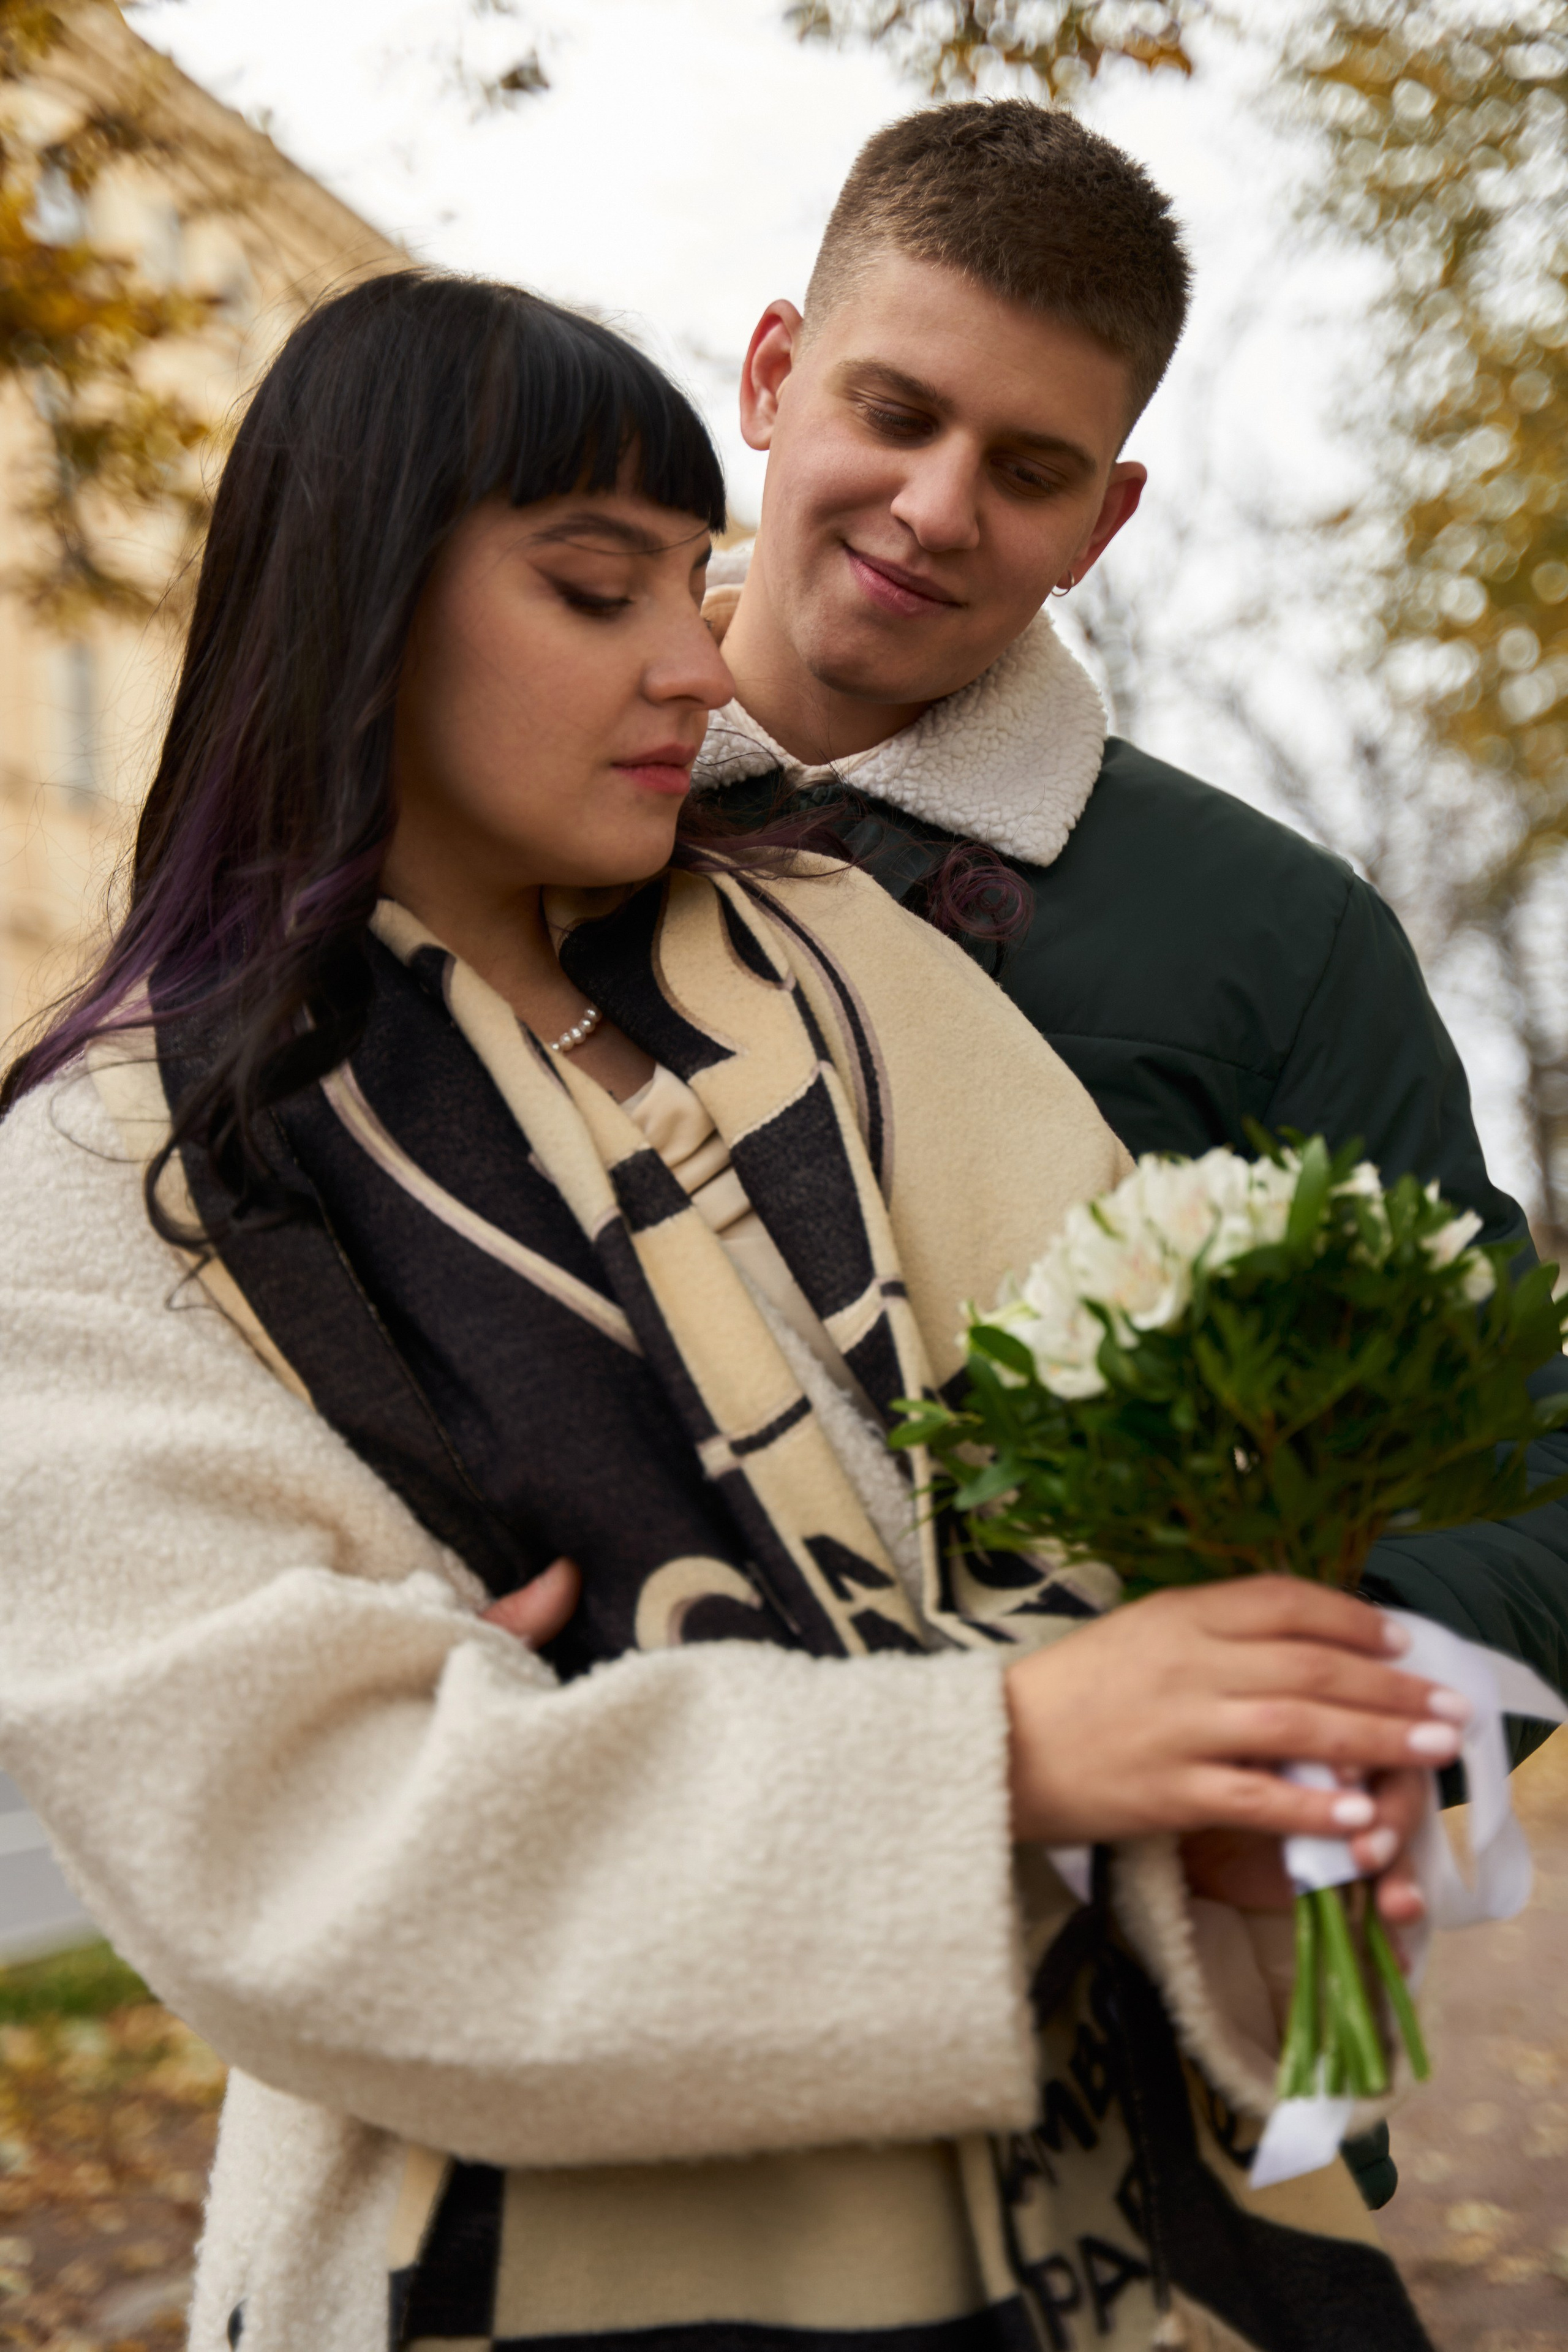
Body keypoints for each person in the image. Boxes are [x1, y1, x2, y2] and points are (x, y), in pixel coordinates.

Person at [0, 272, 1458, 2352]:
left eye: (693, 580)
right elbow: (312, 1858)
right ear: (358, 602)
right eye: (597, 591)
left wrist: (1225, 1799)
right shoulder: (101, 1167)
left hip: (1110, 2237)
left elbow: (1157, 1509)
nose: (700, 660)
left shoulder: (848, 966)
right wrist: (1012, 1742)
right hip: (490, 2277)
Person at [696, 98, 1568, 1879]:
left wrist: (1355, 1710)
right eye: (895, 410)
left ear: (1107, 515)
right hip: (609, 1908)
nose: (937, 509)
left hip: (1113, 1961)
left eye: (1028, 470)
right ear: (775, 375)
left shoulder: (1274, 931)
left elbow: (1513, 1455)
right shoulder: (488, 800)